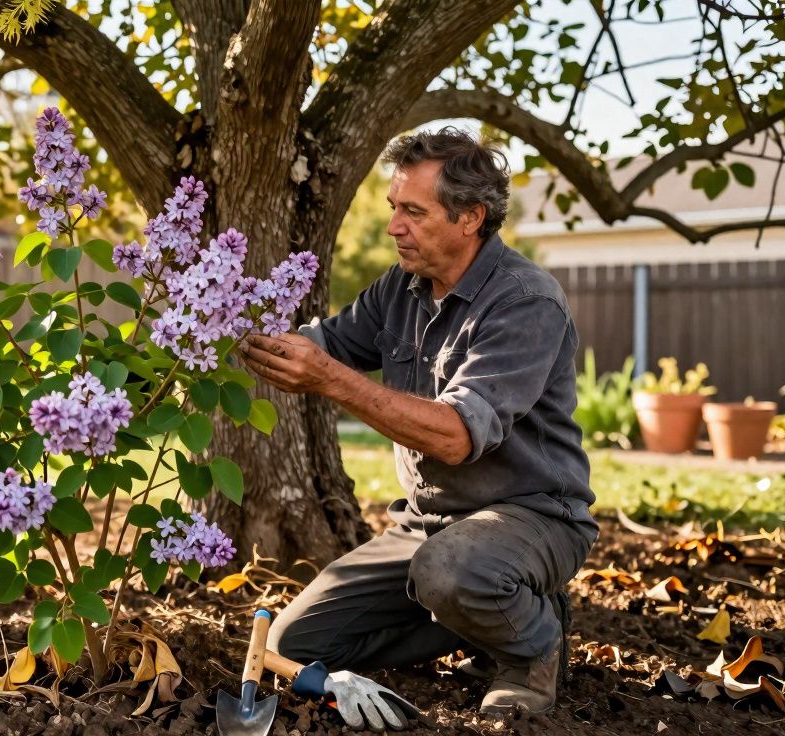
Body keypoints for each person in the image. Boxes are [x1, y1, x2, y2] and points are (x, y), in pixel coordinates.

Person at [238, 127, 598, 717]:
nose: (393, 226)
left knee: (451, 570)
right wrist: (223, 324)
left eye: (412, 210)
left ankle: (530, 650)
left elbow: (455, 436)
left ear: (469, 218)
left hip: (532, 517)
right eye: (392, 208)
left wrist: (328, 378)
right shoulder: (400, 289)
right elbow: (322, 343)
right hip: (427, 527)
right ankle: (485, 619)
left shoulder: (525, 302)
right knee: (297, 645)